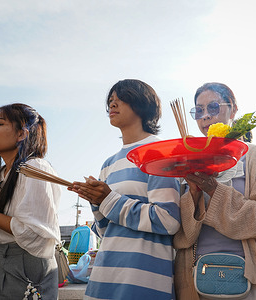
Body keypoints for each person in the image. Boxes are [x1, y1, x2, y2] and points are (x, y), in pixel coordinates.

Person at [69, 79, 181, 299]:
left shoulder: (159, 152)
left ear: (142, 104)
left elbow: (168, 220)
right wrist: (95, 201)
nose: (112, 104)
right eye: (110, 100)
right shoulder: (108, 164)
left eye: (120, 99)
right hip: (105, 272)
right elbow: (104, 231)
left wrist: (109, 199)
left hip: (142, 277)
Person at [173, 82, 256, 299]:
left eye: (213, 107)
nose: (205, 116)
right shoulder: (186, 159)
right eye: (198, 110)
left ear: (233, 108)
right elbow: (177, 231)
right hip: (193, 276)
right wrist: (194, 195)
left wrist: (214, 190)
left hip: (249, 278)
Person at [0, 103, 60, 299]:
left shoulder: (36, 167)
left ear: (22, 134)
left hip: (24, 266)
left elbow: (36, 236)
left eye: (0, 124)